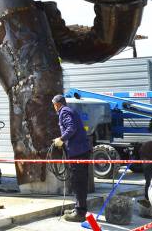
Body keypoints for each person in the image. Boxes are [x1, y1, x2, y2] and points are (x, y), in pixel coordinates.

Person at [52, 93, 92, 222]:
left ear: (57, 104)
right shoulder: (69, 110)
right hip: (80, 150)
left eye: (54, 105)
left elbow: (71, 128)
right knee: (80, 181)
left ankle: (80, 213)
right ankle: (79, 208)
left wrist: (62, 139)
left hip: (78, 152)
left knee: (78, 181)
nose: (54, 107)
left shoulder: (64, 112)